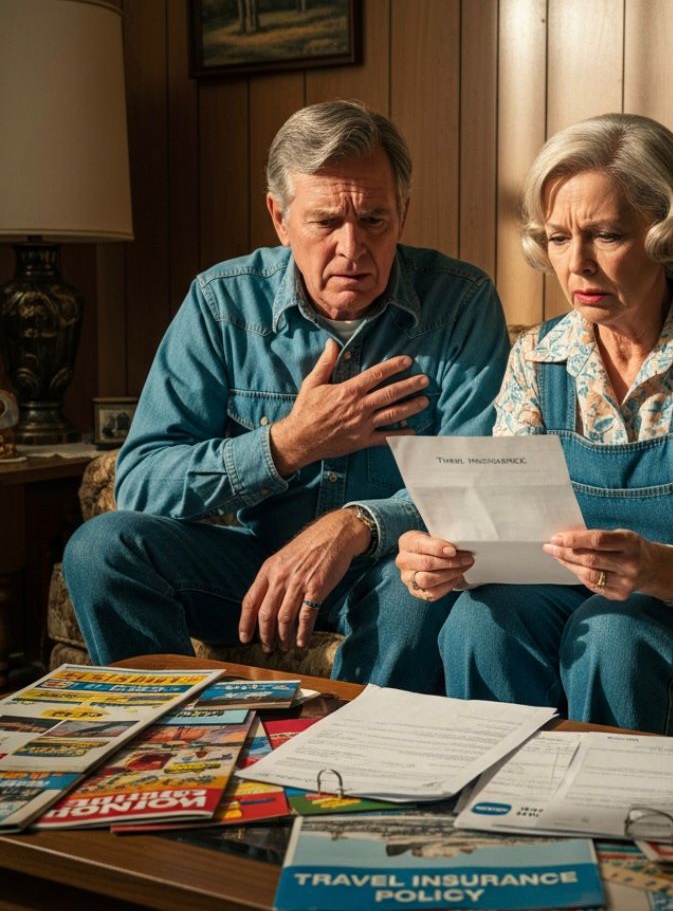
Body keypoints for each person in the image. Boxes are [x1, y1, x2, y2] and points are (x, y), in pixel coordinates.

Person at [394, 112, 673, 734]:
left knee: (616, 639)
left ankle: (618, 825)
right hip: (585, 596)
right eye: (557, 238)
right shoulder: (537, 357)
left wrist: (657, 569)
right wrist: (447, 559)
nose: (577, 265)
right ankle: (499, 821)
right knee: (477, 622)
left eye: (605, 235)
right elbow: (508, 539)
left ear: (666, 233)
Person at [63, 100, 509, 689]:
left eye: (374, 220)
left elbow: (480, 478)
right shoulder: (222, 302)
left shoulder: (461, 302)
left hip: (389, 565)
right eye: (326, 222)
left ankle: (360, 772)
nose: (352, 249)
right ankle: (181, 744)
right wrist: (287, 444)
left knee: (422, 597)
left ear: (403, 212)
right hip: (254, 564)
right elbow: (143, 479)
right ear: (279, 217)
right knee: (101, 549)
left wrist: (355, 526)